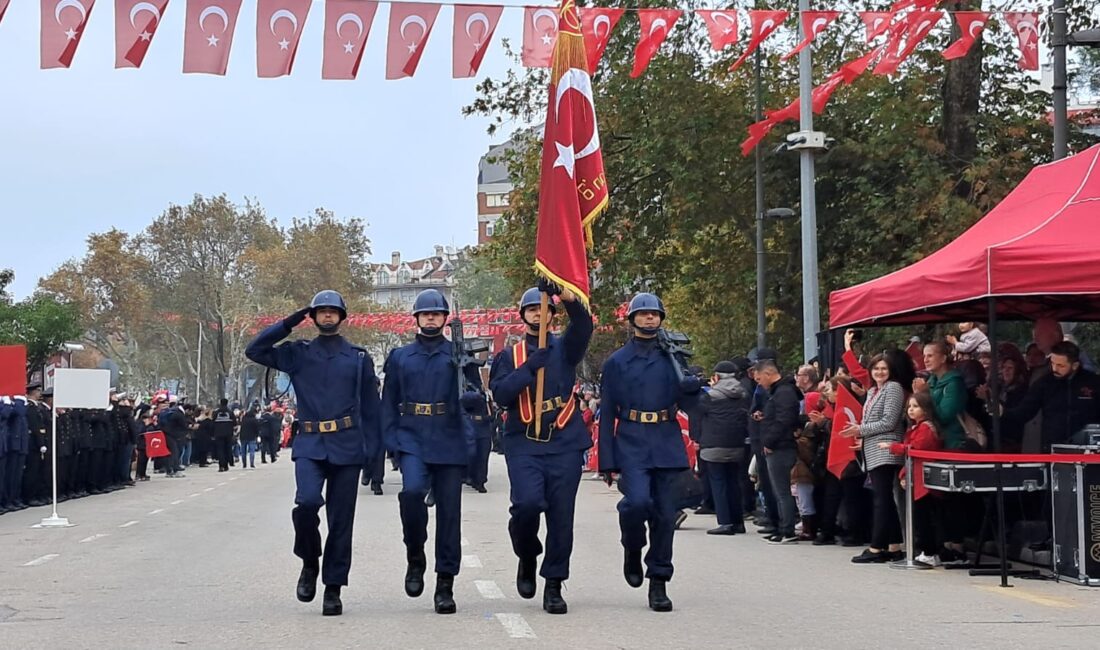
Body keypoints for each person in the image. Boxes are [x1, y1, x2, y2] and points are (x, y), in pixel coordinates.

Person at [246, 289, 381, 617]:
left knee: (341, 521)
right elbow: (255, 349)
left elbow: (372, 409)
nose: (328, 316)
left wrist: (375, 454)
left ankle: (333, 587)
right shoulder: (298, 353)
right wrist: (290, 322)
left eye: (333, 311)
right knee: (306, 503)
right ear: (314, 316)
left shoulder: (359, 357)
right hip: (309, 444)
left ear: (342, 316)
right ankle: (309, 561)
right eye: (321, 311)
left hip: (348, 444)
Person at [488, 282, 593, 615]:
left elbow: (585, 325)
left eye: (544, 308)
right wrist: (529, 370)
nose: (538, 313)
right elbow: (501, 395)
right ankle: (527, 554)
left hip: (563, 441)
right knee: (527, 506)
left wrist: (566, 296)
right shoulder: (509, 356)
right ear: (523, 316)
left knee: (561, 518)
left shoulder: (566, 349)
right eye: (533, 309)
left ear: (553, 316)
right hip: (524, 443)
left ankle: (554, 584)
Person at [381, 289, 486, 615]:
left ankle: (445, 583)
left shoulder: (459, 355)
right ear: (416, 318)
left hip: (449, 436)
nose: (430, 318)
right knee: (412, 493)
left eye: (436, 314)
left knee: (450, 516)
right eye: (425, 314)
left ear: (444, 319)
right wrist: (392, 442)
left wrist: (472, 399)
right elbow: (388, 402)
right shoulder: (401, 357)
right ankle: (415, 555)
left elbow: (478, 397)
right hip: (412, 435)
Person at [598, 292, 703, 612]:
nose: (650, 319)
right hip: (631, 439)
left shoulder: (672, 357)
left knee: (664, 514)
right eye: (643, 315)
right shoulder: (617, 361)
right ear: (632, 320)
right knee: (637, 503)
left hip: (666, 439)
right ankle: (632, 546)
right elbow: (607, 411)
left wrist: (693, 389)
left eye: (655, 315)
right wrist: (607, 460)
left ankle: (658, 580)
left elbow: (690, 403)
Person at [840, 354, 906, 563]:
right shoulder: (872, 391)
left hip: (886, 449)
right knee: (884, 498)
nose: (879, 372)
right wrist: (862, 436)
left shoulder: (894, 388)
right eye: (876, 368)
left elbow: (889, 421)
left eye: (884, 368)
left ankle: (877, 547)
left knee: (881, 499)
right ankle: (894, 545)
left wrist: (860, 430)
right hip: (873, 448)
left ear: (891, 371)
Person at [1003, 341, 1100, 450]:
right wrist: (1002, 412)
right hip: (1053, 450)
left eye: (1060, 365)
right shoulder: (1045, 383)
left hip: (1088, 449)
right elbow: (1023, 412)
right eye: (1052, 363)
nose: (1055, 369)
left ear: (1075, 365)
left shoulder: (1094, 383)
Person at [882, 392, 943, 566]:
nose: (911, 410)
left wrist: (892, 447)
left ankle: (930, 552)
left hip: (924, 480)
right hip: (916, 477)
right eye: (909, 406)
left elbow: (915, 448)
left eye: (915, 406)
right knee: (919, 517)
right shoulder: (917, 427)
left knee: (924, 519)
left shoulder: (926, 428)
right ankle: (926, 551)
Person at [696, 360, 750, 535]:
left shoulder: (709, 397)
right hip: (737, 443)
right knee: (734, 482)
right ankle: (738, 522)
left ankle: (725, 522)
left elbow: (698, 413)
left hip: (713, 445)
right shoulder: (743, 394)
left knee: (718, 483)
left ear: (717, 376)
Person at [753, 359, 803, 544]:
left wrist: (769, 441)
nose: (759, 383)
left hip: (780, 446)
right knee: (780, 490)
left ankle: (787, 529)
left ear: (768, 374)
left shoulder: (783, 392)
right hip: (780, 444)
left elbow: (784, 419)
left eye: (759, 379)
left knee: (782, 491)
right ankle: (784, 527)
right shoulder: (781, 392)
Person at [211, 399, 237, 472]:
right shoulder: (230, 412)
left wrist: (212, 434)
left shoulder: (216, 413)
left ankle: (221, 465)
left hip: (218, 434)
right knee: (227, 449)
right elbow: (235, 424)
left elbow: (212, 424)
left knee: (220, 449)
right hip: (228, 434)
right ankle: (226, 465)